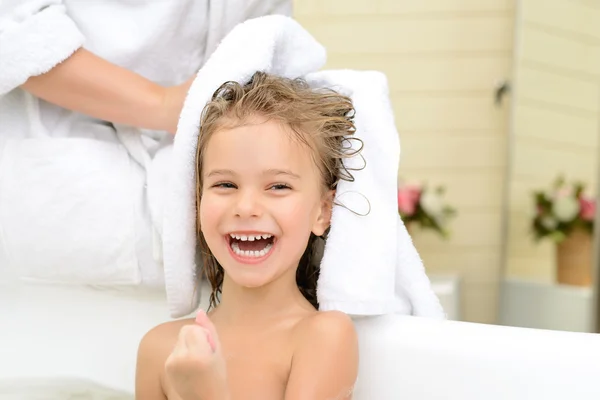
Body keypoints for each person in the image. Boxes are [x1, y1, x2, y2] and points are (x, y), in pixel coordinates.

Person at [0, 0, 291, 285]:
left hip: (202, 244)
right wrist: (165, 106)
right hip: (67, 194)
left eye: (280, 187)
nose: (248, 208)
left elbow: (266, 35)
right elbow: (15, 28)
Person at [135, 72, 360, 399]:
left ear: (322, 211)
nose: (246, 207)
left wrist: (203, 393)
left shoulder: (321, 337)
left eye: (278, 186)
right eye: (225, 184)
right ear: (196, 202)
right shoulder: (160, 348)